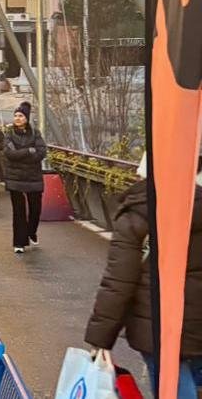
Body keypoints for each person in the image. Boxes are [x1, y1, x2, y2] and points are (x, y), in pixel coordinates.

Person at [85, 159, 202, 398]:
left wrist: (101, 338)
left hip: (158, 325)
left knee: (174, 387)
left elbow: (118, 282)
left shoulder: (139, 212)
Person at [2, 104, 46, 254]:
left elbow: (41, 153)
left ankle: (31, 231)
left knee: (36, 209)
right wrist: (28, 151)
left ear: (26, 118)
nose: (17, 118)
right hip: (15, 178)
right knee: (18, 211)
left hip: (33, 177)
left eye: (21, 116)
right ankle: (19, 242)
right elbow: (9, 154)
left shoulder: (35, 133)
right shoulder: (9, 134)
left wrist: (20, 155)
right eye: (16, 116)